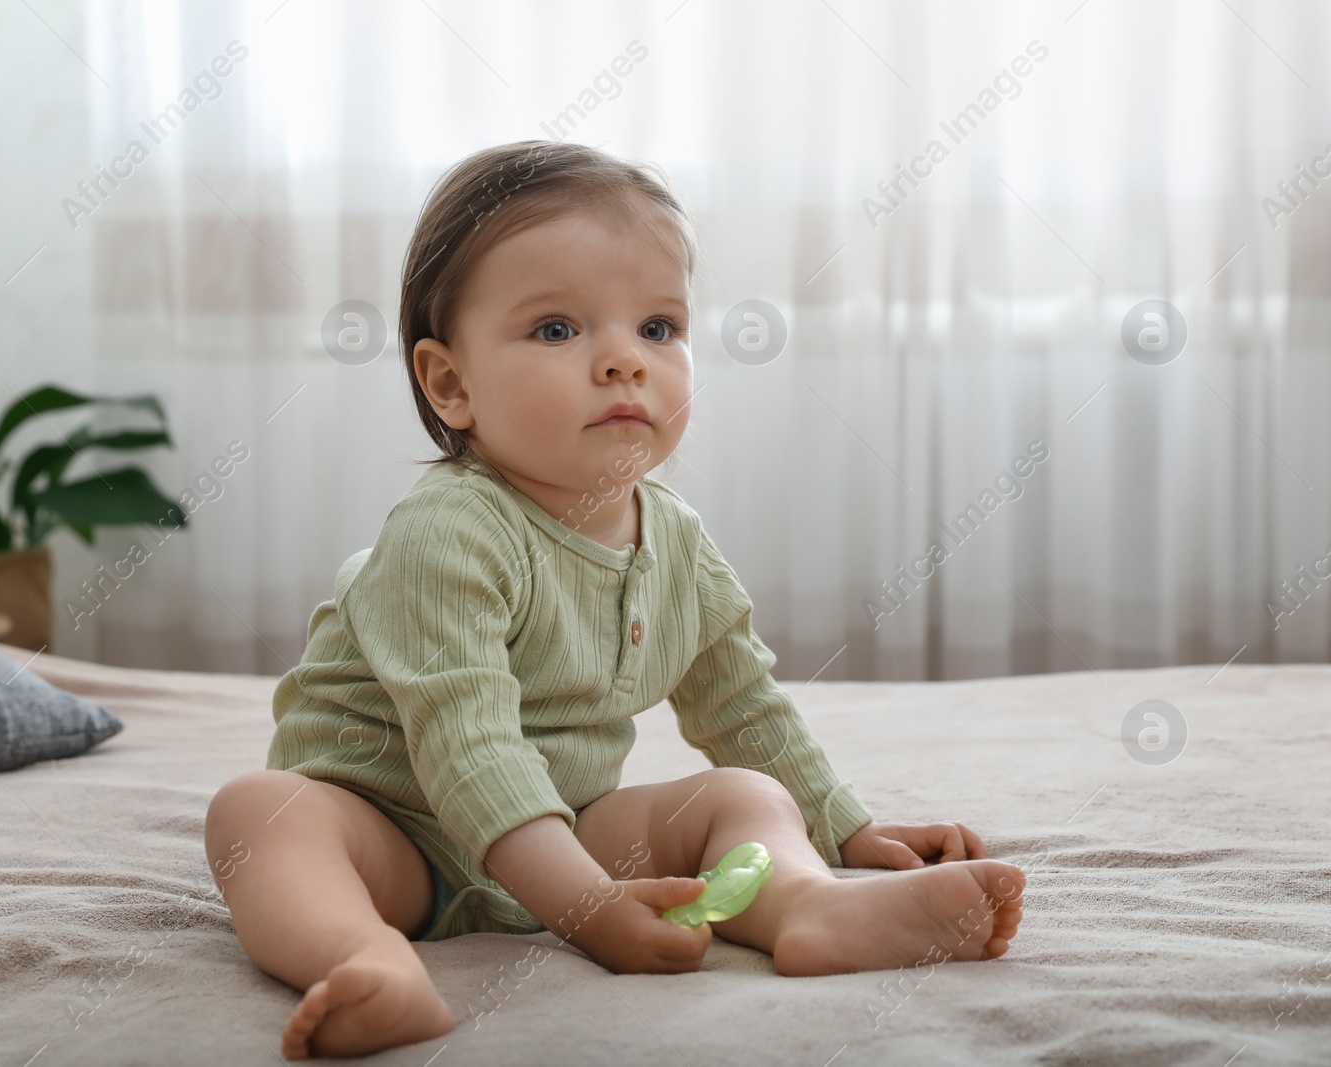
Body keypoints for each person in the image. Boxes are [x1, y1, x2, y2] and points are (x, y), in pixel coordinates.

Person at [205, 140, 1026, 1060]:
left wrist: (852, 828)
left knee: (744, 791)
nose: (623, 362)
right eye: (558, 329)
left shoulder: (674, 539)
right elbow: (465, 745)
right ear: (452, 383)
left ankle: (809, 906)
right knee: (259, 814)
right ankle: (365, 959)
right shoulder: (448, 528)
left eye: (659, 328)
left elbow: (743, 706)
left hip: (571, 826)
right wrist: (588, 910)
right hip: (391, 837)